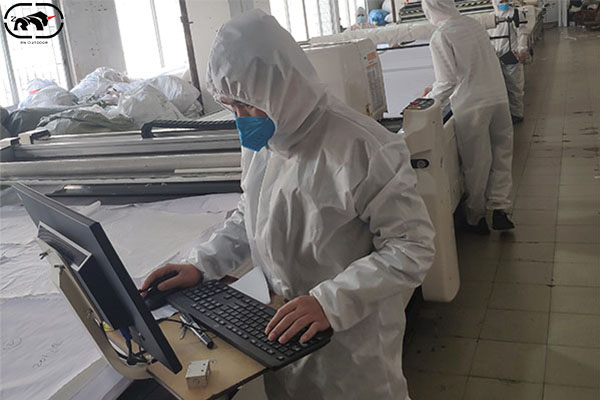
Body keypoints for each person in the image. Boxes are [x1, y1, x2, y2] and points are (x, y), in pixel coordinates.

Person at [141, 9, 435, 400]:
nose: (241, 119)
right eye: (231, 106)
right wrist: (202, 264)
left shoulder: (364, 147)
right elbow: (250, 215)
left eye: (248, 105)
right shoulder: (263, 143)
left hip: (350, 349)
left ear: (282, 88)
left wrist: (330, 301)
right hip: (282, 333)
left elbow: (411, 248)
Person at [420, 0, 516, 233]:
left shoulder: (441, 36)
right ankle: (500, 209)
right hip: (498, 97)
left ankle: (476, 217)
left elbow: (447, 81)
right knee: (502, 155)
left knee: (477, 162)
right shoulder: (473, 24)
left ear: (430, 8)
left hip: (473, 105)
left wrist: (426, 102)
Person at [489, 0, 528, 124]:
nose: (503, 3)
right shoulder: (490, 18)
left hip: (511, 54)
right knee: (500, 88)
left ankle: (517, 113)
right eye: (501, 1)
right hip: (496, 57)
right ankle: (505, 114)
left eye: (505, 0)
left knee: (514, 86)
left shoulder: (515, 13)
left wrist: (522, 49)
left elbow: (522, 33)